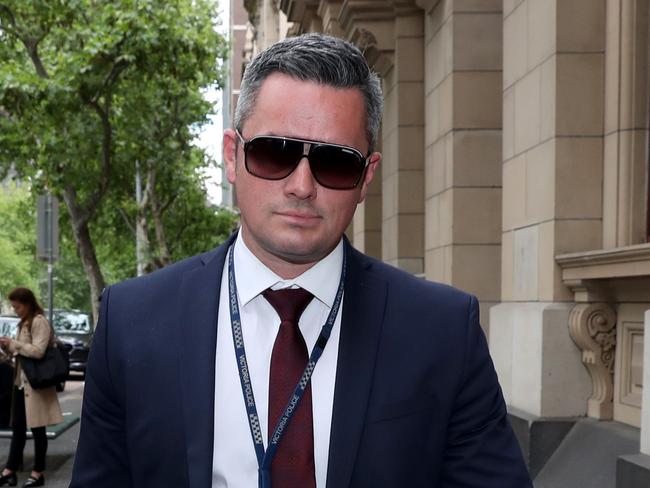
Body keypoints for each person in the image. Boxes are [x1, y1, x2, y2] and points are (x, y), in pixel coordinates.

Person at [70, 33, 532, 487]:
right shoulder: (131, 322)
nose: (301, 185)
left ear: (365, 177)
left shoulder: (443, 331)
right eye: (276, 153)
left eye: (334, 162)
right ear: (232, 156)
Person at [0, 288, 63, 487]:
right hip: (22, 384)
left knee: (37, 430)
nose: (15, 310)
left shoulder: (39, 322)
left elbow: (37, 352)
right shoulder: (24, 323)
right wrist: (7, 348)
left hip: (37, 385)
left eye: (17, 306)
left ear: (27, 304)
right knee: (18, 428)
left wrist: (14, 344)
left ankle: (38, 472)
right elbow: (22, 355)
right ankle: (9, 470)